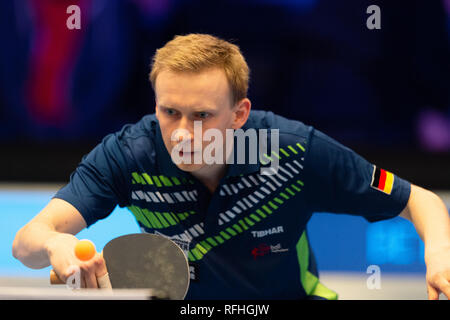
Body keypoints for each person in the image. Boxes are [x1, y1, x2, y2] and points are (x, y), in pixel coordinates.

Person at [13, 33, 450, 300]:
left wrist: (438, 260)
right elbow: (26, 242)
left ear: (240, 113)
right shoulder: (126, 155)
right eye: (169, 112)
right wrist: (56, 247)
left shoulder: (294, 150)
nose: (182, 132)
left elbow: (420, 200)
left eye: (201, 115)